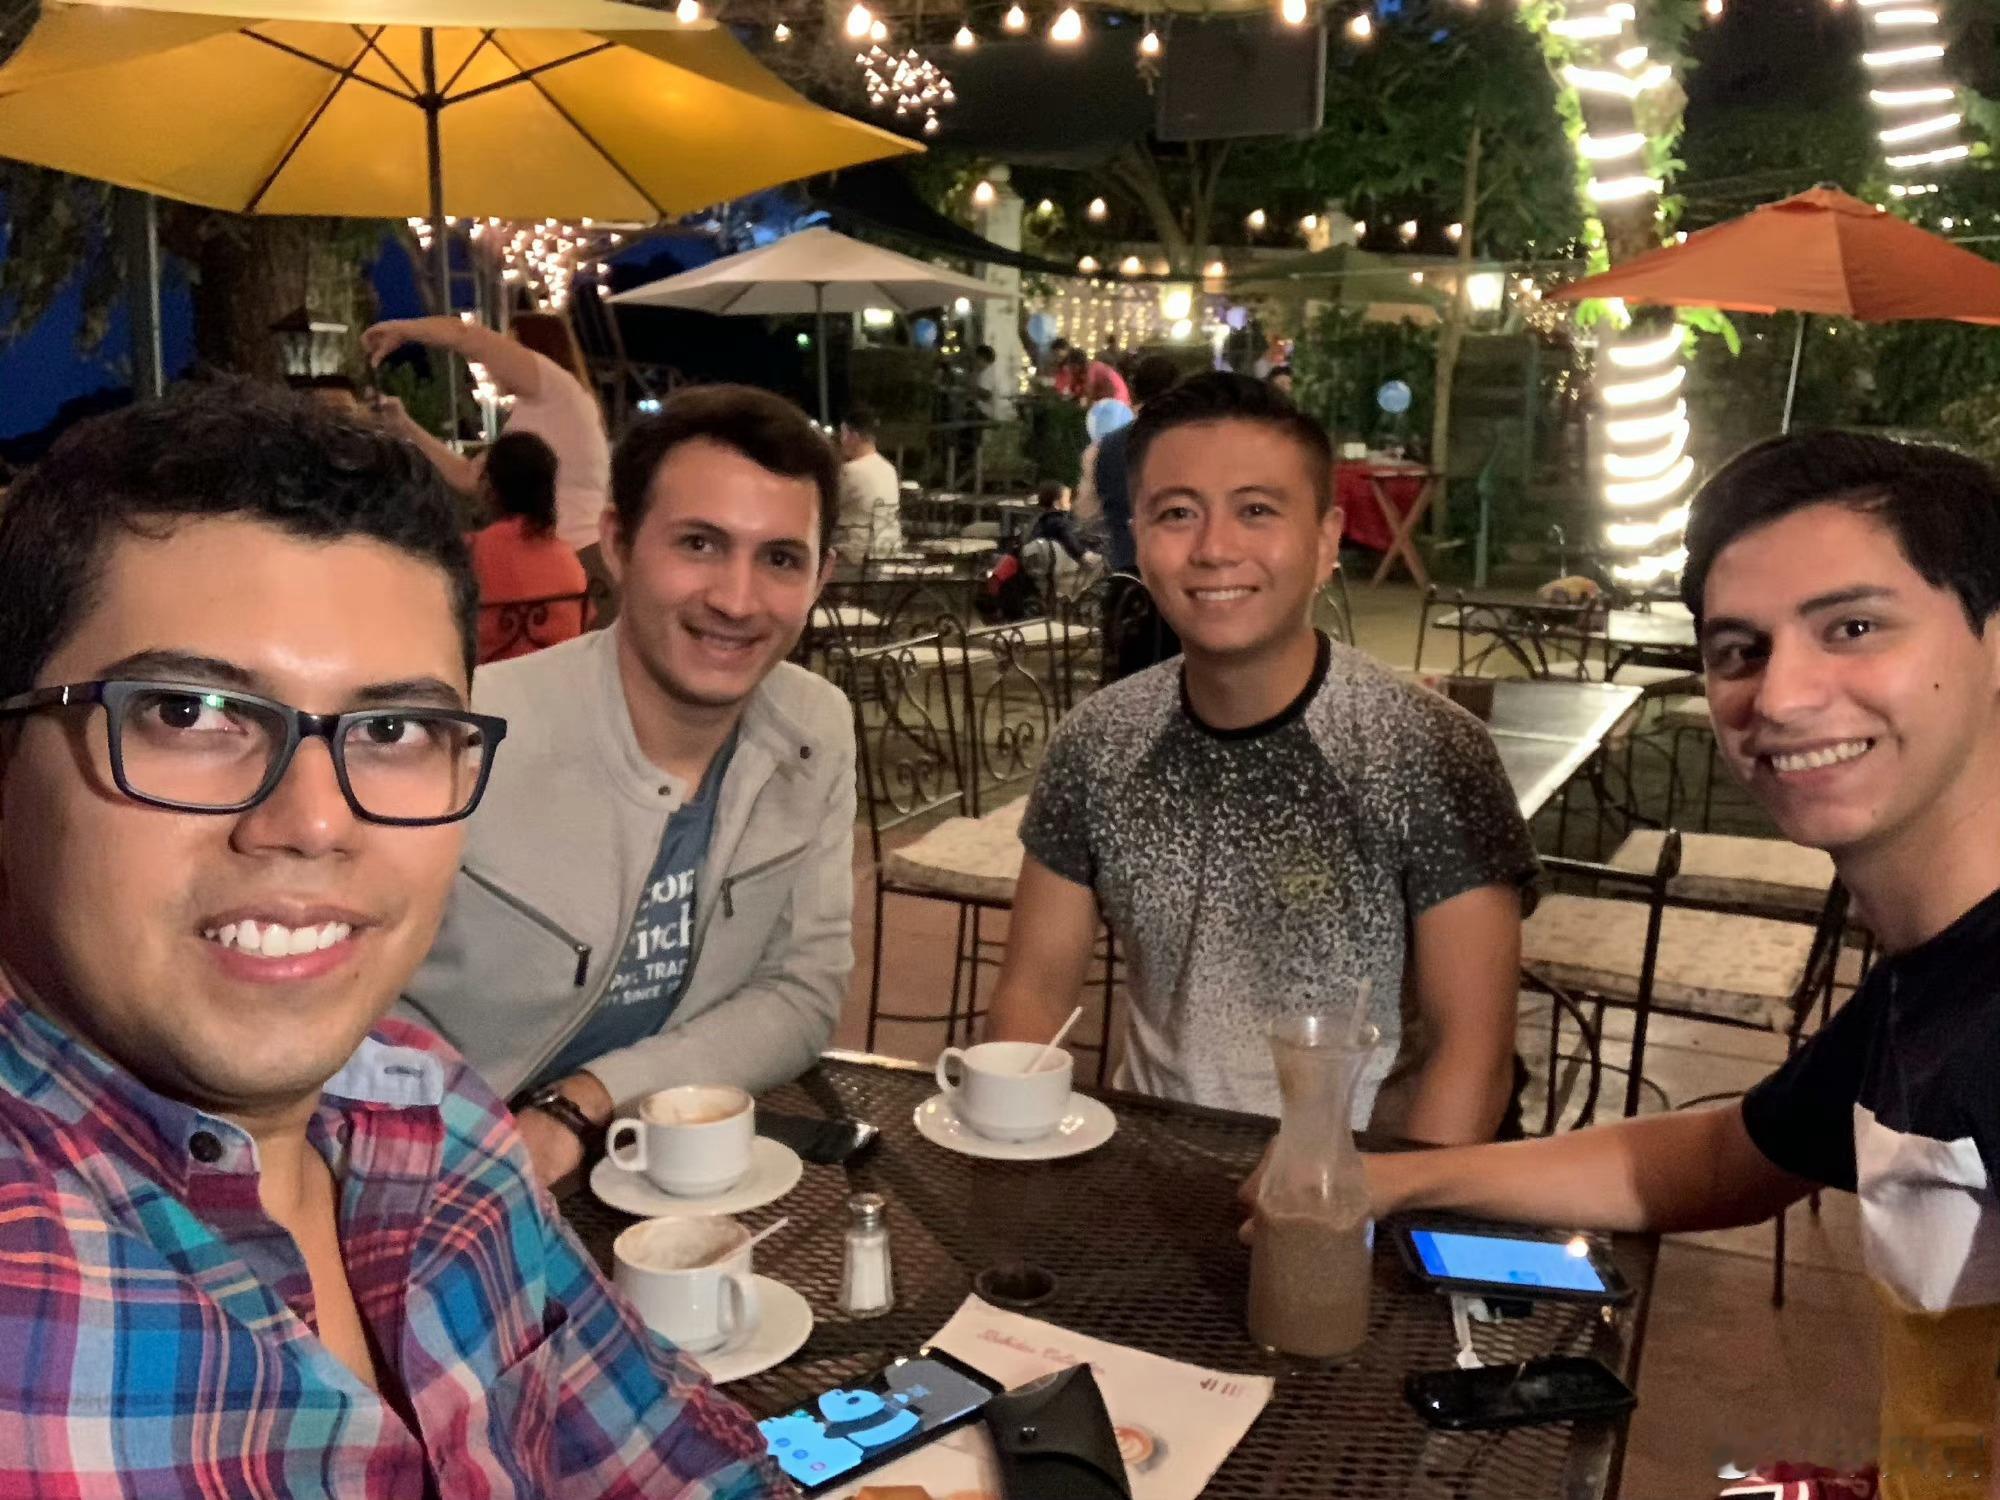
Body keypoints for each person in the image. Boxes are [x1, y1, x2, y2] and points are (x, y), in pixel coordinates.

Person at [0, 380, 781, 1495]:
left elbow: (678, 1465)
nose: (314, 821)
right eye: (188, 713)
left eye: (395, 728)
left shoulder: (432, 1115)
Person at [1355, 431, 2000, 1500]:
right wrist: (1393, 1178)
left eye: (1851, 627)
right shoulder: (1933, 976)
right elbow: (1731, 1157)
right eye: (1739, 649)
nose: (1779, 696)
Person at [986, 373, 1536, 1141]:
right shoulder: (1097, 741)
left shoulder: (1427, 750)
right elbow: (1035, 995)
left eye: (1256, 511)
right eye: (1177, 513)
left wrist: (1383, 1198)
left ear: (1325, 541)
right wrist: (1010, 1140)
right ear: (1136, 539)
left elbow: (1470, 1058)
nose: (1215, 549)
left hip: (1361, 1174)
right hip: (1151, 1164)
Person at [399, 385, 856, 1187]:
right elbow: (343, 1005)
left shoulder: (814, 728)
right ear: (617, 544)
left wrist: (584, 1103)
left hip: (660, 1162)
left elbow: (802, 991)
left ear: (822, 577)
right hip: (439, 1170)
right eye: (700, 544)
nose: (737, 599)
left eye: (780, 559)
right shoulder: (471, 734)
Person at [362, 312, 613, 579]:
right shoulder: (543, 410)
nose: (491, 365)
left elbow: (463, 334)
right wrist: (403, 424)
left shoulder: (555, 387)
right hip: (560, 558)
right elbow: (470, 477)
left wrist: (403, 330)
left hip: (573, 558)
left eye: (510, 344)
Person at [1076, 354, 1183, 679]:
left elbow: (1086, 515)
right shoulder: (1191, 445)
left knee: (1126, 690)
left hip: (1126, 584)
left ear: (1133, 392)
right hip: (1181, 586)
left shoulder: (1102, 448)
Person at [468, 430, 591, 663]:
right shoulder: (566, 558)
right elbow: (583, 624)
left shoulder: (471, 552)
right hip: (559, 675)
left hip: (493, 679)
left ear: (492, 488)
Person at [833, 405, 905, 567]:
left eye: (843, 434)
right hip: (888, 551)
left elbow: (826, 507)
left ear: (854, 436)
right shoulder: (889, 469)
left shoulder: (849, 471)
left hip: (855, 558)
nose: (841, 441)